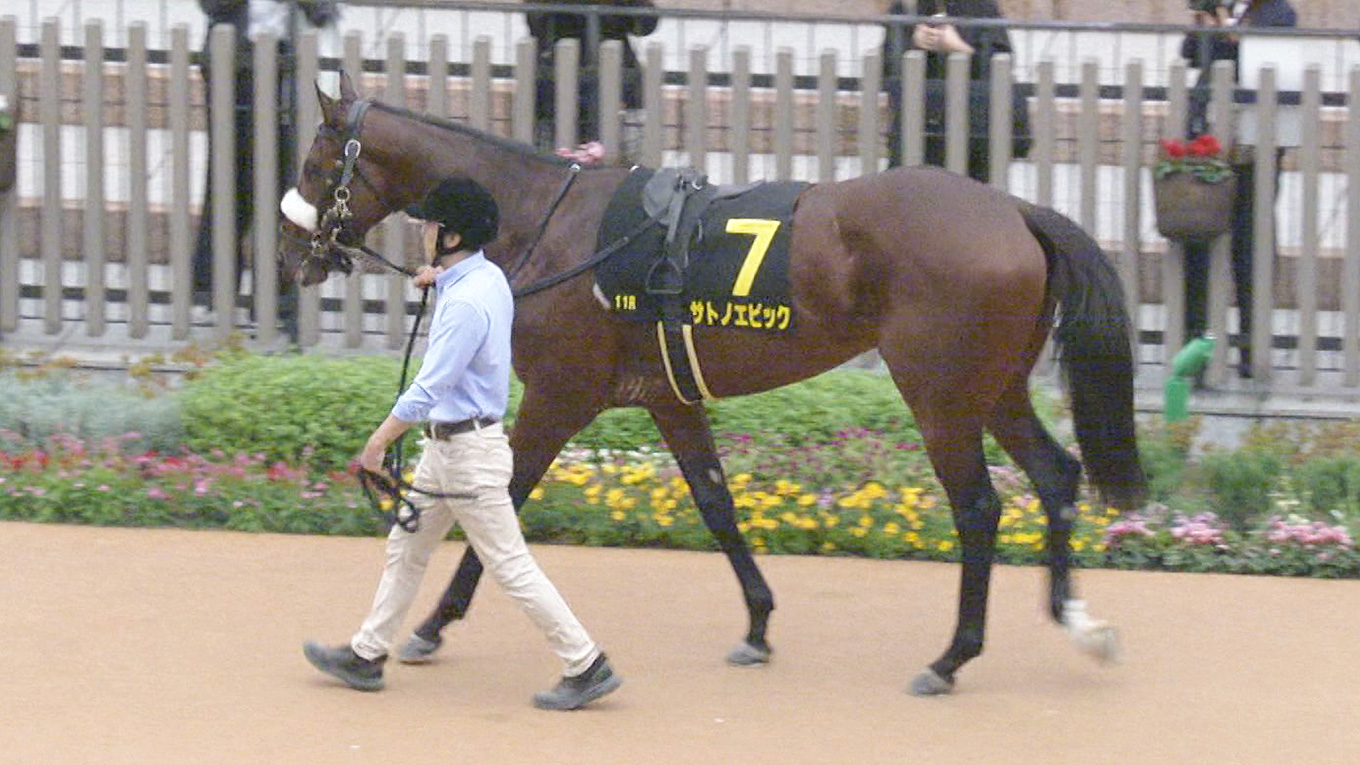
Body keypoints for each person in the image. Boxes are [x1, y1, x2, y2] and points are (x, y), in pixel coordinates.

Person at [302, 177, 622, 711]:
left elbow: (430, 387)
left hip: (466, 455)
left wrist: (378, 443)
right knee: (408, 548)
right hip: (448, 451)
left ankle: (585, 662)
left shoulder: (466, 302)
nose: (423, 231)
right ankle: (367, 654)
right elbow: (464, 297)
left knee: (510, 565)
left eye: (430, 225)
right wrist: (440, 279)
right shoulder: (484, 278)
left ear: (450, 236)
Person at [193, 0, 339, 335]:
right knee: (227, 180)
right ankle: (214, 293)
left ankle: (274, 300)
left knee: (281, 187)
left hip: (284, 67)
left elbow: (322, 11)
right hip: (232, 63)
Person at [1179, 0, 1297, 378]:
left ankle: (1250, 349)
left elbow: (1263, 60)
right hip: (1208, 146)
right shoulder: (1219, 7)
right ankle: (1196, 351)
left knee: (1252, 250)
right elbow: (1189, 52)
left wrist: (1227, 30)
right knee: (1198, 250)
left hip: (1255, 151)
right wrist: (1206, 23)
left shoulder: (1278, 13)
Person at [880, 0, 1026, 183]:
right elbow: (888, 70)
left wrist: (959, 47)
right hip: (918, 126)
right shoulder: (906, 7)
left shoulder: (981, 6)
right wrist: (913, 42)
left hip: (973, 128)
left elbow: (1001, 63)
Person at [525, 0, 658, 151]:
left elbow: (646, 24)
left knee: (617, 151)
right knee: (553, 151)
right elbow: (536, 21)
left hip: (613, 79)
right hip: (557, 81)